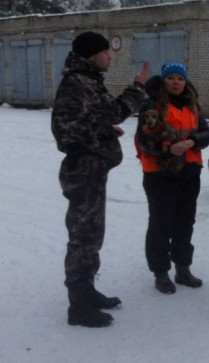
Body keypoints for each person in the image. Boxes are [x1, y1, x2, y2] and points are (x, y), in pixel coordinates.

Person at [51, 31, 149, 327]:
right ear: (92, 55)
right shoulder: (81, 81)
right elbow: (115, 111)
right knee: (83, 236)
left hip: (90, 167)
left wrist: (101, 128)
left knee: (91, 233)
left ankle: (87, 291)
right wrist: (138, 87)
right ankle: (79, 307)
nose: (110, 58)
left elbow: (82, 119)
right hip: (84, 168)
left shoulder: (84, 79)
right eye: (106, 53)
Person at [137, 62, 209, 294]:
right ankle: (160, 272)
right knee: (160, 224)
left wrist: (192, 141)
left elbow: (207, 133)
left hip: (189, 173)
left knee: (184, 223)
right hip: (160, 175)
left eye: (180, 78)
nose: (176, 82)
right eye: (170, 78)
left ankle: (183, 268)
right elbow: (144, 139)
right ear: (164, 80)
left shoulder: (193, 105)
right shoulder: (152, 105)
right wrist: (168, 150)